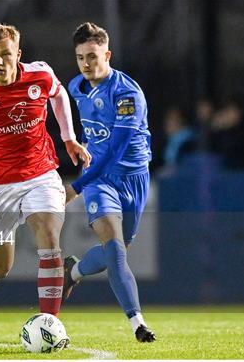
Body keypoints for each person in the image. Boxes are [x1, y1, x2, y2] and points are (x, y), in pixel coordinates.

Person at [0, 23, 90, 317]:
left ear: (18, 53)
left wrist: (68, 137)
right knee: (2, 267)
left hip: (41, 174)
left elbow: (59, 95)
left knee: (49, 239)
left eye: (6, 54)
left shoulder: (40, 74)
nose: (0, 61)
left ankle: (50, 323)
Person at [62, 22, 156, 342]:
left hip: (133, 179)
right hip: (100, 181)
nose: (86, 64)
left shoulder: (127, 94)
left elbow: (116, 149)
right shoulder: (76, 86)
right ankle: (138, 323)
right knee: (115, 251)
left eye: (92, 56)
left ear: (108, 54)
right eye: (80, 58)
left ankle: (72, 271)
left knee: (117, 251)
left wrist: (74, 187)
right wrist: (76, 144)